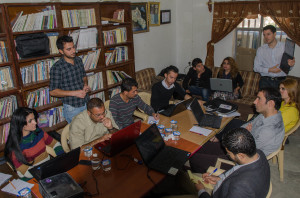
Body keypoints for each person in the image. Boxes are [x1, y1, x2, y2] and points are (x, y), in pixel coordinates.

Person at [190, 87, 284, 173]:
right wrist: (245, 133)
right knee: (199, 146)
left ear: (271, 103)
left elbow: (246, 153)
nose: (254, 102)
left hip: (240, 160)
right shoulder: (265, 115)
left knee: (195, 158)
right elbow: (245, 126)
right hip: (238, 147)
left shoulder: (269, 130)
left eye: (259, 98)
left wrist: (245, 134)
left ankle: (199, 175)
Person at [195, 128, 270, 198]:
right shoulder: (258, 153)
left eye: (229, 153)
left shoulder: (240, 188)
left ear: (240, 156)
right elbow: (235, 170)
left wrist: (201, 191)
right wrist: (219, 179)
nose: (228, 155)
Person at [4, 107, 64, 180]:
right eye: (30, 121)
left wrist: (61, 159)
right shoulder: (15, 147)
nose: (35, 122)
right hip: (30, 178)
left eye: (34, 118)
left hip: (46, 170)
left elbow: (55, 144)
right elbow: (27, 173)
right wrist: (50, 170)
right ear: (21, 125)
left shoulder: (38, 132)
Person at [50, 35, 91, 123]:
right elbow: (53, 91)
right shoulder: (57, 68)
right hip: (73, 107)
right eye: (69, 49)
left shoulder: (78, 60)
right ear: (61, 51)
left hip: (86, 102)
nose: (73, 51)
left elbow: (84, 76)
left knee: (90, 129)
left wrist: (85, 85)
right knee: (77, 134)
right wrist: (75, 93)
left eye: (73, 47)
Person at [254, 25, 295, 89]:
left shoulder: (284, 47)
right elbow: (256, 68)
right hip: (265, 81)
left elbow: (288, 67)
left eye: (268, 34)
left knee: (280, 99)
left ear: (275, 34)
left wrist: (291, 64)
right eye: (264, 35)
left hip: (281, 81)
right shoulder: (261, 50)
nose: (266, 37)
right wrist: (270, 70)